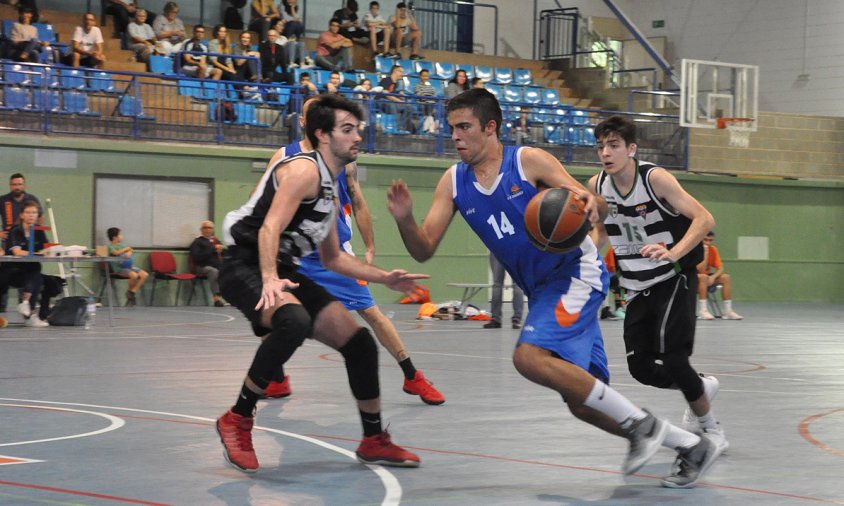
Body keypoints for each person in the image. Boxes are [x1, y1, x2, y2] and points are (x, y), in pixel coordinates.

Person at [387, 89, 720, 489]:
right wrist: (405, 219)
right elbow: (423, 249)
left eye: (464, 127)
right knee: (582, 403)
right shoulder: (454, 182)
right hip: (541, 290)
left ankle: (643, 427)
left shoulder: (527, 161)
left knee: (527, 357)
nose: (455, 136)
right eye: (451, 128)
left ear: (490, 128)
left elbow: (590, 198)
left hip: (575, 274)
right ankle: (690, 445)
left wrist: (592, 204)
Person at [216, 93, 426, 473]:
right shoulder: (303, 172)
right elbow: (269, 228)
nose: (357, 137)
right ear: (322, 135)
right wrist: (268, 280)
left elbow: (334, 259)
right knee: (292, 321)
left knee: (360, 343)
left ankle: (373, 438)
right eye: (347, 130)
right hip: (243, 262)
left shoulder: (330, 187)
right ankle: (238, 418)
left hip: (283, 268)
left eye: (358, 129)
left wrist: (385, 277)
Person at [258, 95, 445, 404]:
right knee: (270, 312)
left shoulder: (344, 157)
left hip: (335, 253)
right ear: (304, 122)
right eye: (312, 115)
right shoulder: (284, 156)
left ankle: (413, 376)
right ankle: (276, 379)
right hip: (296, 254)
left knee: (372, 314)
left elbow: (357, 201)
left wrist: (369, 245)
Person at [588, 114, 727, 482]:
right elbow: (601, 232)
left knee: (674, 359)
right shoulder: (597, 185)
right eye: (601, 145)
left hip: (673, 276)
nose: (606, 152)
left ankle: (711, 431)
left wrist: (674, 251)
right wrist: (582, 254)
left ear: (631, 149)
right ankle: (700, 385)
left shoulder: (654, 179)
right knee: (641, 369)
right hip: (636, 285)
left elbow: (704, 218)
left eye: (614, 145)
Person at [0, 173, 42, 313]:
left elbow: (40, 219)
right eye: (14, 184)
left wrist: (36, 232)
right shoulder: (3, 200)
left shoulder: (32, 199)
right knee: (7, 273)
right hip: (9, 244)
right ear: (10, 185)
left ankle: (25, 306)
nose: (17, 187)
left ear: (24, 185)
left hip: (26, 243)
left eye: (19, 184)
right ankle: (2, 309)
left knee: (33, 268)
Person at [2, 201, 48, 327]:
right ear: (22, 215)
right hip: (10, 272)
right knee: (36, 270)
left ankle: (26, 306)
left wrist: (52, 250)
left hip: (28, 273)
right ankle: (30, 314)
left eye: (34, 212)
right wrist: (38, 253)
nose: (31, 215)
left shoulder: (39, 231)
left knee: (37, 273)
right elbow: (17, 252)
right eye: (28, 212)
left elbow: (46, 248)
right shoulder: (15, 230)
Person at [697, 231, 743, 320]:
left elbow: (720, 268)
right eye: (705, 240)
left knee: (725, 277)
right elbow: (701, 270)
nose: (708, 243)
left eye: (710, 240)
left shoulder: (713, 249)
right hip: (694, 278)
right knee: (703, 277)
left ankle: (728, 311)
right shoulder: (695, 249)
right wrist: (705, 253)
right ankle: (703, 311)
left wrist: (713, 277)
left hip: (707, 278)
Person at [107, 227, 149, 307]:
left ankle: (132, 292)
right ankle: (131, 296)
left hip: (129, 267)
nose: (122, 236)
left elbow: (130, 249)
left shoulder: (121, 245)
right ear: (115, 237)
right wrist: (126, 249)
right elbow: (116, 253)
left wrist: (129, 252)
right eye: (120, 234)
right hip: (119, 269)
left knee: (144, 274)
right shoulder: (110, 247)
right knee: (134, 275)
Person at [189, 221, 225, 307]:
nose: (207, 230)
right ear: (201, 230)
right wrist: (212, 249)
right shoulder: (197, 242)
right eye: (205, 228)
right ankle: (217, 299)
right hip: (202, 267)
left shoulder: (216, 240)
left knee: (233, 271)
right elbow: (197, 257)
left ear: (213, 230)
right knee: (213, 271)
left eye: (210, 228)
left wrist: (222, 251)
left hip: (217, 266)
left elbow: (224, 255)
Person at [484, 252, 524, 329]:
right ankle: (517, 319)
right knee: (517, 284)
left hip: (497, 249)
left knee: (497, 284)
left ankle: (495, 319)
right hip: (515, 250)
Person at [378, 64, 414, 133]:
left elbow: (393, 93)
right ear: (395, 71)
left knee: (408, 107)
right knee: (392, 105)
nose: (402, 74)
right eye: (401, 72)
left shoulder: (396, 84)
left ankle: (400, 127)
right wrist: (399, 101)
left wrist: (400, 95)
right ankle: (393, 127)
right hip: (381, 101)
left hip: (391, 102)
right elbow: (386, 94)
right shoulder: (386, 80)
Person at [599, 246, 625, 320]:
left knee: (622, 286)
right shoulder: (613, 249)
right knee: (616, 284)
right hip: (606, 275)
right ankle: (607, 309)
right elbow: (611, 267)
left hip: (613, 275)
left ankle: (619, 307)